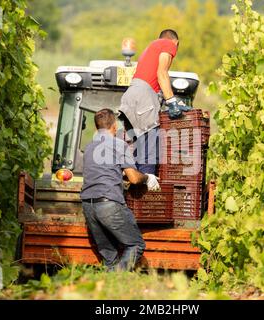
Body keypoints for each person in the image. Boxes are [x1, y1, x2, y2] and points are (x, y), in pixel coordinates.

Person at [80, 108, 160, 271]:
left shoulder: (89, 148)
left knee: (110, 257)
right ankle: (116, 278)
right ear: (114, 126)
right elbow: (134, 178)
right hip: (109, 204)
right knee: (136, 244)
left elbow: (103, 172)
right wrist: (148, 178)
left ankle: (108, 288)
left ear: (96, 128)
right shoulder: (119, 145)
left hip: (88, 206)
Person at [119, 29, 191, 174]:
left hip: (130, 97)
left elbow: (155, 84)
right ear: (175, 42)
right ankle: (148, 188)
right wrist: (171, 101)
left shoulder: (151, 49)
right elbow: (162, 73)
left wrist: (173, 99)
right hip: (143, 97)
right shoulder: (168, 44)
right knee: (150, 144)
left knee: (139, 147)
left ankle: (137, 182)